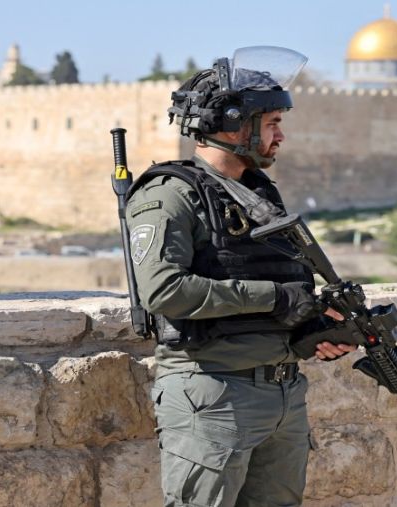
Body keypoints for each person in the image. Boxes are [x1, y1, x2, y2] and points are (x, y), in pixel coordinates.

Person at [124, 46, 356, 507]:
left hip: (282, 392)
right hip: (214, 394)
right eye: (272, 123)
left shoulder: (257, 195)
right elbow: (164, 290)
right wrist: (276, 299)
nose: (280, 136)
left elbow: (277, 278)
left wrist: (309, 326)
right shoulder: (170, 195)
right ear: (234, 124)